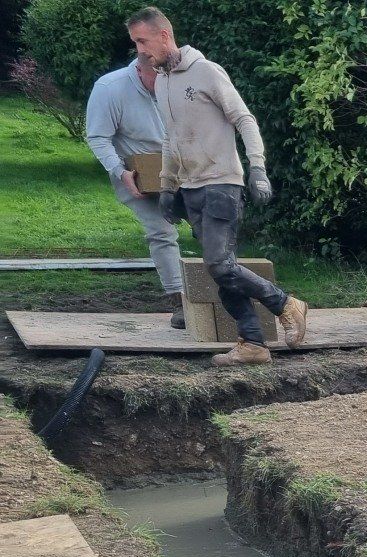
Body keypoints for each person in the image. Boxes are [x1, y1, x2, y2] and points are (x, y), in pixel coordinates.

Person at [126, 7, 309, 365]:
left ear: (164, 35)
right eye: (135, 43)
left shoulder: (206, 72)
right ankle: (253, 344)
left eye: (142, 41)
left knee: (221, 266)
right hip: (191, 188)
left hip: (222, 183)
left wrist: (257, 168)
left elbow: (245, 119)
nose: (139, 50)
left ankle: (284, 303)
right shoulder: (162, 82)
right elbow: (170, 139)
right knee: (221, 270)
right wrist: (166, 186)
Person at [84, 49, 183, 327]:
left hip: (182, 165)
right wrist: (120, 172)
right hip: (139, 174)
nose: (163, 84)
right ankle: (181, 301)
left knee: (210, 226)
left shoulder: (176, 82)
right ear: (140, 71)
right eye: (158, 78)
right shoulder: (110, 88)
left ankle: (225, 296)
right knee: (162, 231)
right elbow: (98, 137)